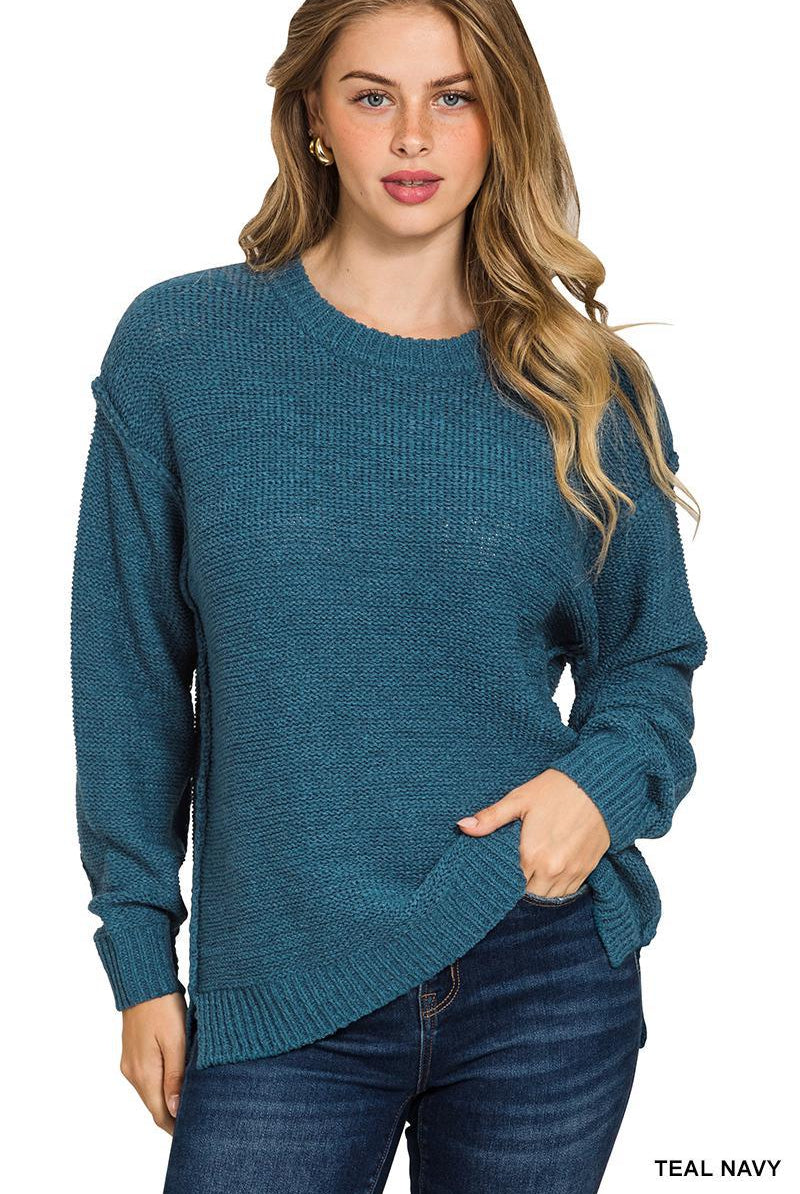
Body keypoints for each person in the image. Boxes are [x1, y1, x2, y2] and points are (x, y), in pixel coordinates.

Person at [70, 1, 708, 1191]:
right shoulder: (181, 349)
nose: (412, 136)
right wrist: (140, 956)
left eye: (452, 98)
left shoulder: (585, 383)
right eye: (372, 97)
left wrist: (597, 785)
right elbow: (130, 678)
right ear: (313, 117)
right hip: (280, 983)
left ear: (499, 120)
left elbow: (648, 659)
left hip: (538, 964)